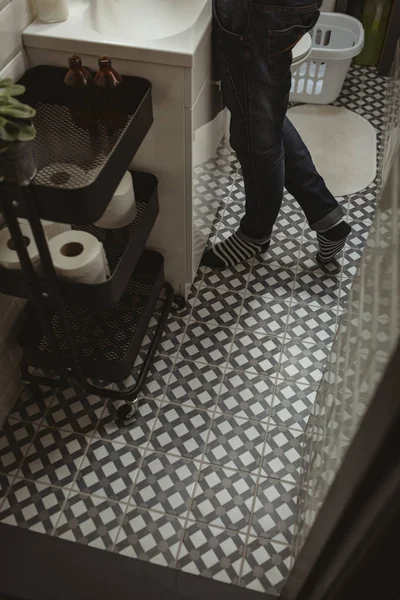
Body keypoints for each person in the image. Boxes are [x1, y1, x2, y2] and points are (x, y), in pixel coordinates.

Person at [202, 0, 351, 270]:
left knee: (255, 133)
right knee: (259, 113)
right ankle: (326, 217)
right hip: (277, 9)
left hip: (259, 11)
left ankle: (256, 234)